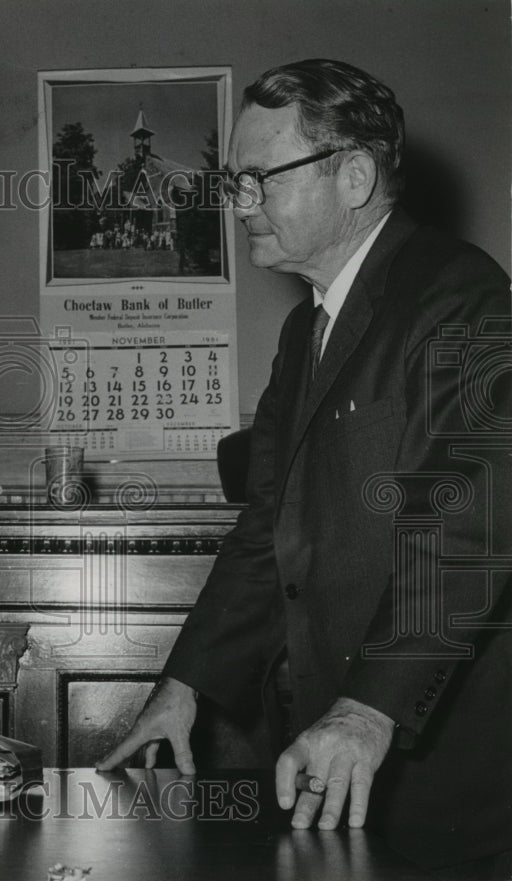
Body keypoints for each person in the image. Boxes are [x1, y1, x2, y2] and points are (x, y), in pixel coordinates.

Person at [98, 58, 512, 876]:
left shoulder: (463, 296)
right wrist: (184, 685)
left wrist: (368, 708)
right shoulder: (305, 332)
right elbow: (266, 526)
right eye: (231, 179)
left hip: (440, 765)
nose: (236, 202)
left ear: (353, 175)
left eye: (258, 178)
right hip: (336, 749)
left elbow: (465, 524)